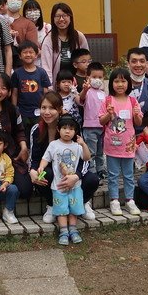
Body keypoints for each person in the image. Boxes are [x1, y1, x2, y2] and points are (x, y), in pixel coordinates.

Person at [28, 92, 99, 223]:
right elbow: (34, 158)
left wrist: (76, 176)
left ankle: (82, 203)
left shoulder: (70, 126)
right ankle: (52, 205)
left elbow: (84, 158)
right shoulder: (37, 130)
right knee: (44, 174)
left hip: (72, 169)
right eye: (43, 108)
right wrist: (32, 171)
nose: (47, 112)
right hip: (51, 171)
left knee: (93, 179)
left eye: (52, 108)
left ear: (60, 109)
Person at [37, 115, 90, 245]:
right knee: (61, 210)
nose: (67, 131)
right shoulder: (53, 145)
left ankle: (73, 230)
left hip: (75, 186)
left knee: (73, 209)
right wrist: (41, 167)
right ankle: (63, 231)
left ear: (75, 132)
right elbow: (45, 158)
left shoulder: (77, 146)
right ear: (58, 129)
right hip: (59, 185)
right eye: (64, 128)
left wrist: (83, 144)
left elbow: (87, 158)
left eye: (71, 129)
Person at [101, 68, 143, 216]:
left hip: (128, 145)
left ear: (128, 83)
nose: (120, 84)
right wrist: (109, 114)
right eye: (116, 81)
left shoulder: (133, 101)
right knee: (112, 175)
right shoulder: (107, 100)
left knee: (128, 175)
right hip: (112, 145)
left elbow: (138, 122)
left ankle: (130, 200)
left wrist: (136, 114)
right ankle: (114, 201)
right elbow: (101, 121)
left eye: (123, 81)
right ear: (111, 83)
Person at [38, 2, 88, 81]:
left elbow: (86, 61)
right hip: (58, 84)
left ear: (70, 17)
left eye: (65, 15)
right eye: (57, 16)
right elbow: (46, 68)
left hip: (79, 84)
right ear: (53, 19)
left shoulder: (79, 37)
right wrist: (49, 87)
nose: (61, 19)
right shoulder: (48, 40)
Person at [11, 40, 51, 136]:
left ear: (36, 55)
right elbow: (14, 93)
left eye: (31, 52)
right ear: (20, 56)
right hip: (22, 112)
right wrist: (14, 110)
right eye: (25, 52)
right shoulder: (17, 73)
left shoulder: (42, 72)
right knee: (23, 134)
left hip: (38, 111)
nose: (28, 55)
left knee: (39, 135)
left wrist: (46, 108)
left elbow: (46, 92)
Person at [77, 61, 107, 178]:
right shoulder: (87, 91)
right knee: (91, 151)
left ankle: (100, 169)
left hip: (102, 127)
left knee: (100, 151)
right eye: (94, 77)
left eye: (100, 77)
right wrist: (84, 89)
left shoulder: (103, 93)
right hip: (90, 127)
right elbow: (81, 99)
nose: (97, 79)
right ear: (87, 77)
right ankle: (91, 170)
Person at [4, 0, 38, 66]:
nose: (15, 0)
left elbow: (32, 50)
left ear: (22, 0)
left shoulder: (29, 24)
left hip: (21, 68)